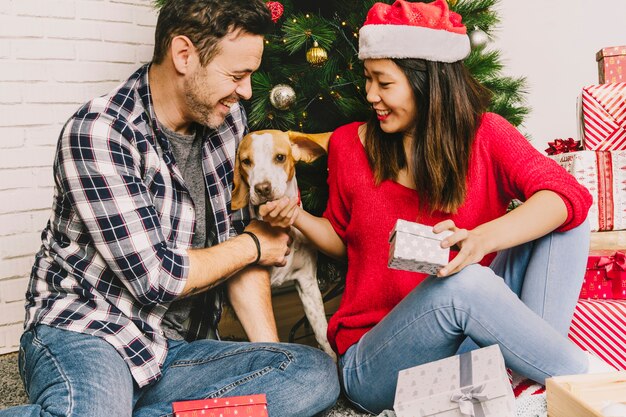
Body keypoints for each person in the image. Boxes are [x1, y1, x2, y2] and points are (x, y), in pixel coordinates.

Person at [259, 0, 615, 413]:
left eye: (384, 82)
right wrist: (297, 215)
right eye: (368, 79)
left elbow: (568, 195)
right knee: (463, 285)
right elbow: (344, 241)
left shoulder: (486, 134)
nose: (370, 94)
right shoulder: (348, 144)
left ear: (427, 81)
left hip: (467, 346)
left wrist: (482, 239)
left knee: (566, 221)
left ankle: (531, 380)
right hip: (376, 361)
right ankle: (586, 383)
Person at [1, 1, 339, 416]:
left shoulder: (228, 124)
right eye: (237, 75)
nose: (248, 92)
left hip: (175, 349)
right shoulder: (101, 133)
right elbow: (157, 279)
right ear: (184, 55)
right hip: (89, 329)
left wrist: (268, 356)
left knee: (309, 372)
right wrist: (254, 245)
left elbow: (236, 252)